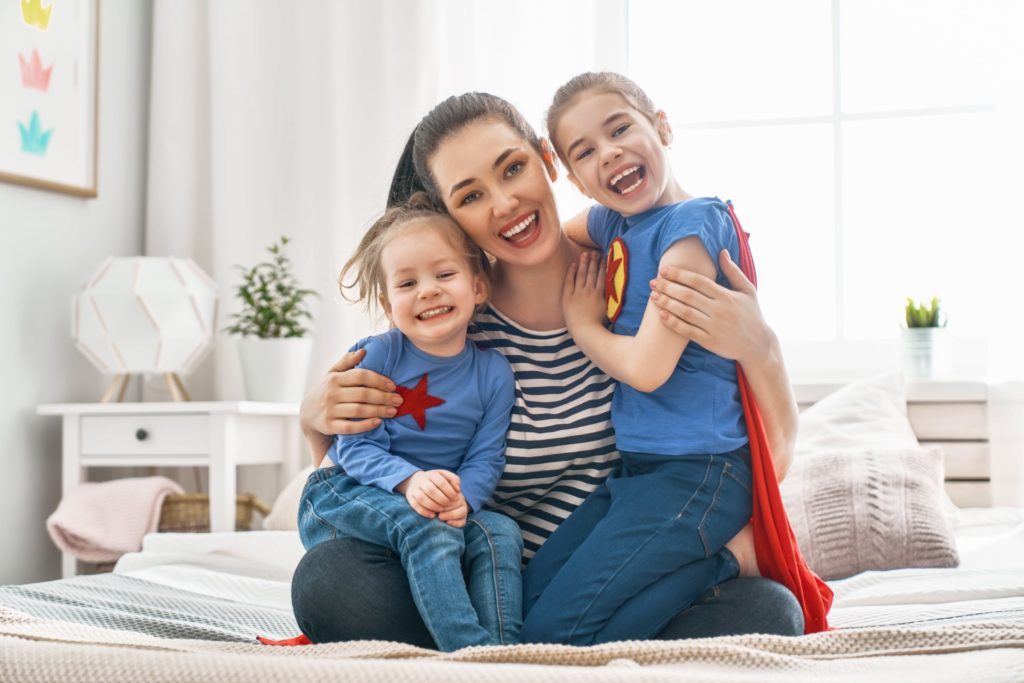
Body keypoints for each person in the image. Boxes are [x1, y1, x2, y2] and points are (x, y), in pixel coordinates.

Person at [292, 91, 805, 648]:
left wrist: (764, 350)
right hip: (476, 580)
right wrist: (313, 423)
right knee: (330, 581)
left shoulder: (635, 284)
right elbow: (362, 487)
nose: (505, 203)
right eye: (470, 196)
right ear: (450, 218)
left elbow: (761, 470)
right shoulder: (448, 328)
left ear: (547, 159)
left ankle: (512, 653)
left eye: (513, 168)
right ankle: (502, 643)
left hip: (621, 573)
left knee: (770, 612)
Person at [515, 72, 762, 645]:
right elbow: (556, 243)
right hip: (638, 469)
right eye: (586, 153)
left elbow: (649, 367)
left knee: (554, 634)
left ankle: (724, 561)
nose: (610, 153)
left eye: (619, 128)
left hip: (701, 472)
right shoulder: (614, 222)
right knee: (526, 604)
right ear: (575, 179)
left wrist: (581, 323)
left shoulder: (694, 227)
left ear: (663, 126)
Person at [297, 196, 520, 651]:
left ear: (478, 286)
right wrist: (410, 482)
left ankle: (506, 655)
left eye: (444, 274)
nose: (428, 290)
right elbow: (355, 450)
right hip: (344, 490)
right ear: (388, 301)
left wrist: (466, 498)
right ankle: (469, 656)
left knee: (500, 533)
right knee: (427, 527)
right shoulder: (378, 355)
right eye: (407, 283)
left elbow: (485, 458)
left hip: (429, 500)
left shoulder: (493, 372)